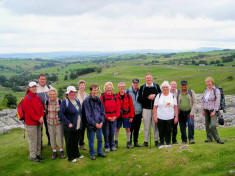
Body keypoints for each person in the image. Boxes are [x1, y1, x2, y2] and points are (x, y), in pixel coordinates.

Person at [59, 86, 84, 162]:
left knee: (76, 140)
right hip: (69, 126)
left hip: (78, 124)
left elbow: (79, 112)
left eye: (74, 92)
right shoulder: (65, 102)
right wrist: (68, 123)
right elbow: (61, 114)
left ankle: (77, 154)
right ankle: (70, 157)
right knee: (69, 141)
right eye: (71, 92)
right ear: (67, 93)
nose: (72, 93)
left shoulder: (76, 100)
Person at [83, 84, 106, 160]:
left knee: (100, 139)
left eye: (97, 90)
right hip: (91, 125)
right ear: (91, 90)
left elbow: (102, 111)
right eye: (94, 90)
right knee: (91, 140)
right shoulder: (87, 100)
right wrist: (95, 124)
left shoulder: (98, 99)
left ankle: (100, 152)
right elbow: (88, 115)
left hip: (99, 123)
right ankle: (92, 153)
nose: (96, 92)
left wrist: (102, 122)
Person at [22, 81, 44, 162]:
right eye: (32, 87)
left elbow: (41, 108)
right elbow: (30, 112)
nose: (34, 88)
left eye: (35, 86)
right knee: (33, 140)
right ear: (29, 88)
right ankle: (32, 156)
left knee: (38, 139)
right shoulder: (26, 99)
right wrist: (38, 118)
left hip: (38, 122)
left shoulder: (37, 97)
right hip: (31, 124)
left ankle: (38, 154)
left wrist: (42, 116)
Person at [138, 73, 161, 147]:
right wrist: (148, 98)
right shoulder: (142, 87)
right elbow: (139, 99)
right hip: (146, 109)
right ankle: (146, 142)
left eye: (150, 78)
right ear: (145, 79)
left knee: (155, 126)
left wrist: (155, 96)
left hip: (155, 109)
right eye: (147, 78)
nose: (148, 79)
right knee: (146, 126)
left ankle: (156, 141)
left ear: (152, 78)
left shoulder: (156, 86)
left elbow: (161, 95)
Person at [153, 81, 178, 147]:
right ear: (161, 88)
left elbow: (175, 107)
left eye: (166, 87)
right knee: (161, 130)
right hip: (160, 116)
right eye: (163, 87)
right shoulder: (159, 95)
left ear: (169, 88)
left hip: (170, 117)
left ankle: (168, 142)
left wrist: (176, 117)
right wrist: (155, 116)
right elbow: (155, 107)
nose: (165, 88)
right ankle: (161, 142)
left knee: (169, 130)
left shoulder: (172, 96)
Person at [202, 77, 224, 144]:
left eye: (209, 82)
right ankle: (209, 138)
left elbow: (218, 101)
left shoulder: (216, 90)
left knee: (212, 125)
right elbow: (203, 100)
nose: (208, 83)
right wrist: (202, 109)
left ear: (212, 82)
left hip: (213, 110)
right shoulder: (205, 90)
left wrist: (215, 111)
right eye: (207, 82)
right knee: (207, 125)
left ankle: (217, 139)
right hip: (206, 110)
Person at [44, 87, 65, 160]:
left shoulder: (60, 101)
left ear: (56, 94)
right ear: (48, 95)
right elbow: (46, 111)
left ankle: (61, 151)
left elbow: (62, 112)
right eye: (50, 94)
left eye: (53, 94)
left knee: (60, 137)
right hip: (50, 123)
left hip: (58, 123)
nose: (52, 96)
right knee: (52, 137)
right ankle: (54, 151)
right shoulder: (46, 102)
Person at [101, 82, 120, 153]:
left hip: (114, 117)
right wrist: (107, 117)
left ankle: (112, 145)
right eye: (107, 88)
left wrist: (115, 117)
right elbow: (101, 109)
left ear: (112, 88)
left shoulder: (115, 97)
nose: (109, 89)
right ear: (105, 89)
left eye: (110, 87)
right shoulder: (102, 97)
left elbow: (118, 108)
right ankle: (107, 146)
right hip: (106, 118)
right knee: (106, 132)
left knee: (112, 132)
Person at [115, 82, 135, 149]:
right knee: (117, 129)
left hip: (127, 115)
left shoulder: (128, 96)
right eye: (121, 87)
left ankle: (128, 143)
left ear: (125, 87)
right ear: (118, 88)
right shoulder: (116, 96)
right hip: (118, 116)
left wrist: (131, 116)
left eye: (123, 87)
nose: (122, 88)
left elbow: (131, 107)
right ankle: (115, 142)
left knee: (128, 129)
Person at [127, 79, 143, 147]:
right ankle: (129, 142)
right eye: (134, 83)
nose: (135, 84)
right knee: (130, 129)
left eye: (137, 83)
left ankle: (135, 142)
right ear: (132, 83)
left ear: (138, 84)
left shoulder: (140, 91)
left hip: (139, 113)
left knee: (137, 129)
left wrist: (142, 112)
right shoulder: (128, 91)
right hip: (131, 114)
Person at [37, 73, 51, 146]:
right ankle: (40, 144)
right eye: (41, 79)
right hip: (39, 113)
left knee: (49, 128)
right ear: (38, 80)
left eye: (44, 79)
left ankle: (50, 141)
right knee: (40, 129)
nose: (43, 80)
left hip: (48, 112)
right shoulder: (35, 88)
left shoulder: (49, 87)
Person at [77, 80, 89, 150]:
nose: (82, 86)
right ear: (78, 86)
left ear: (85, 86)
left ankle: (81, 144)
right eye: (81, 85)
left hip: (85, 116)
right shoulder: (75, 94)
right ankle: (77, 144)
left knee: (83, 130)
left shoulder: (87, 95)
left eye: (83, 85)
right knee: (78, 130)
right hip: (78, 116)